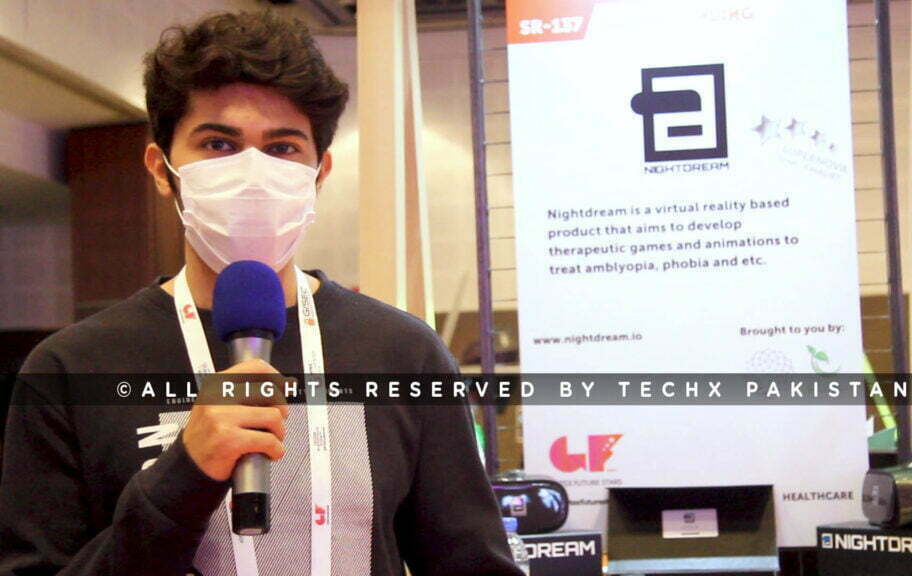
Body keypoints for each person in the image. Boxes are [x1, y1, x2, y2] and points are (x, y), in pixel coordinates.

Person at [0, 11, 521, 576]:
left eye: (283, 148)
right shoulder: (71, 368)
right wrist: (184, 474)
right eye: (218, 143)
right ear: (161, 168)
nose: (252, 173)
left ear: (319, 172)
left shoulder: (402, 352)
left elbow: (473, 564)